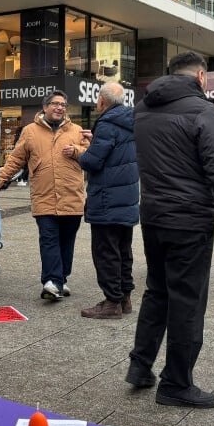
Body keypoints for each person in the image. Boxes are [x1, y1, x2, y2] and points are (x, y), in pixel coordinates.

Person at [126, 52, 214, 408]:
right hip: (189, 220)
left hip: (153, 215)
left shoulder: (142, 109)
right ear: (201, 77)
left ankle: (140, 366)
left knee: (157, 291)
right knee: (187, 301)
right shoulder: (204, 112)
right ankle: (176, 383)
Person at [0, 90, 87, 301]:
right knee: (49, 239)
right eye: (55, 104)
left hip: (72, 196)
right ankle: (51, 282)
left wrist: (76, 150)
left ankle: (61, 279)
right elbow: (16, 160)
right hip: (44, 196)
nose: (60, 108)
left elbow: (91, 155)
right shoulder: (30, 131)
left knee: (66, 241)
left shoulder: (77, 131)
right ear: (45, 107)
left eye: (63, 105)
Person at [77, 82, 138, 319]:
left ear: (102, 101)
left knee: (106, 252)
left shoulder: (106, 123)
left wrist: (80, 153)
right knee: (123, 250)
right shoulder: (130, 122)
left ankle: (112, 303)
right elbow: (116, 151)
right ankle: (124, 298)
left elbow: (93, 161)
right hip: (127, 198)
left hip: (107, 199)